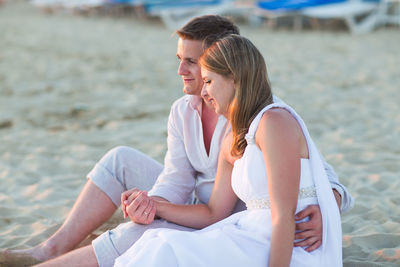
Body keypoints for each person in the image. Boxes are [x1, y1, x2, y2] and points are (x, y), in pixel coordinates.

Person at [8, 16, 352, 267]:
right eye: (180, 60)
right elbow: (175, 179)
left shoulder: (263, 116)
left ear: (222, 63)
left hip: (241, 220)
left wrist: (328, 207)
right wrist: (151, 204)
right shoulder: (184, 111)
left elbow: (322, 179)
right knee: (121, 161)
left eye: (193, 63)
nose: (183, 72)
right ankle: (53, 248)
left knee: (147, 238)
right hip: (200, 207)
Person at [114, 34, 343, 267]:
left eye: (209, 82)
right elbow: (213, 213)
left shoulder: (274, 122)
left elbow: (284, 214)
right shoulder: (233, 139)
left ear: (233, 78)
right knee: (156, 245)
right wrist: (154, 205)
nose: (203, 93)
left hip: (288, 248)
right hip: (249, 236)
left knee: (164, 251)